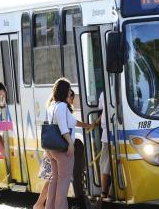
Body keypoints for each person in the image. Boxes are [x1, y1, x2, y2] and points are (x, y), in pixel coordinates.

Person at [45, 79, 94, 209]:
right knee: (63, 182)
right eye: (69, 89)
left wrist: (88, 125)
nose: (70, 92)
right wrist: (70, 143)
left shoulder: (52, 106)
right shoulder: (61, 106)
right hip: (63, 150)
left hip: (52, 149)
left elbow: (72, 121)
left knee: (54, 180)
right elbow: (63, 126)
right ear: (65, 91)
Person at [98, 92, 111, 198]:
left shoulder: (104, 93)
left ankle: (104, 191)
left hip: (106, 134)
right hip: (118, 133)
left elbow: (100, 107)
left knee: (105, 163)